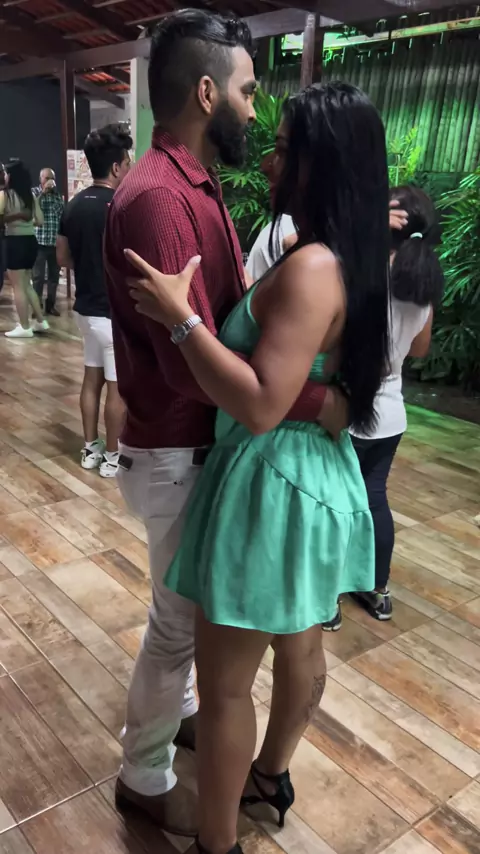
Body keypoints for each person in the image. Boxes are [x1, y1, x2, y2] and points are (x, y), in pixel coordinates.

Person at [125, 79, 391, 854]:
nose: (270, 164)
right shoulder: (349, 256)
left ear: (321, 164)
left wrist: (182, 321)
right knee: (300, 647)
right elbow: (323, 389)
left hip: (271, 484)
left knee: (226, 686)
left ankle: (217, 844)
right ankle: (270, 776)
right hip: (314, 475)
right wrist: (321, 400)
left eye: (284, 150)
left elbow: (262, 403)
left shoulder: (311, 267)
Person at [105, 9, 344, 839]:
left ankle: (190, 727)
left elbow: (220, 332)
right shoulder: (160, 198)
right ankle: (143, 778)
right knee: (176, 628)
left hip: (199, 445)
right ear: (207, 93)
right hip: (177, 445)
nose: (252, 108)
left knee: (199, 627)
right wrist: (311, 400)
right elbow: (189, 361)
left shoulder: (196, 185)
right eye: (245, 91)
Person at [343, 185, 443, 624]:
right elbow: (418, 349)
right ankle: (378, 589)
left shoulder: (365, 276)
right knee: (373, 500)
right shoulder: (421, 286)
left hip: (350, 412)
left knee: (337, 504)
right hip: (390, 415)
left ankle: (327, 600)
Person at [56, 124, 132, 477]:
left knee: (92, 378)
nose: (129, 168)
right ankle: (113, 457)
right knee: (117, 388)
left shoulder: (72, 206)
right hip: (112, 313)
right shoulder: (119, 207)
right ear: (116, 167)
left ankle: (90, 449)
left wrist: (88, 266)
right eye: (127, 163)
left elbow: (62, 257)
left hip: (85, 311)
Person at [0, 159, 49, 338]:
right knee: (26, 284)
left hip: (15, 242)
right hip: (31, 242)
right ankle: (41, 321)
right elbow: (40, 220)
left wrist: (14, 218)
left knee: (18, 287)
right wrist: (25, 220)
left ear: (10, 176)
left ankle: (24, 326)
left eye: (6, 173)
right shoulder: (30, 196)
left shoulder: (5, 195)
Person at [33, 168, 64, 316]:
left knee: (54, 277)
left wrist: (53, 194)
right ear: (40, 179)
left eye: (51, 178)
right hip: (39, 242)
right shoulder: (34, 192)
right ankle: (36, 306)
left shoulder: (57, 195)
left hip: (54, 243)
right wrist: (43, 193)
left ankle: (50, 305)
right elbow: (33, 209)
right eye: (46, 178)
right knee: (38, 277)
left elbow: (61, 213)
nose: (49, 181)